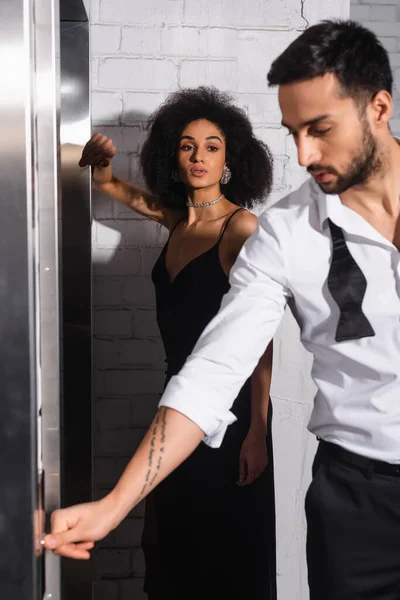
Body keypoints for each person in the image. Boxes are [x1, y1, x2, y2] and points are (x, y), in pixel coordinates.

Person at [45, 19, 400, 600]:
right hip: (353, 492)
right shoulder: (281, 233)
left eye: (320, 128)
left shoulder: (243, 226)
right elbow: (215, 369)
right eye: (292, 132)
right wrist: (112, 506)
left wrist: (255, 430)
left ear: (378, 108)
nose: (304, 154)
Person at [74, 87, 277, 600]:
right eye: (188, 146)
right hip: (178, 403)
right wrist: (98, 166)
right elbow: (118, 189)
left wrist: (257, 430)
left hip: (230, 418)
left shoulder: (241, 228)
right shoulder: (177, 220)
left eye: (212, 146)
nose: (199, 156)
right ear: (173, 155)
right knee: (173, 545)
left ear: (230, 159)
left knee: (222, 552)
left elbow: (261, 341)